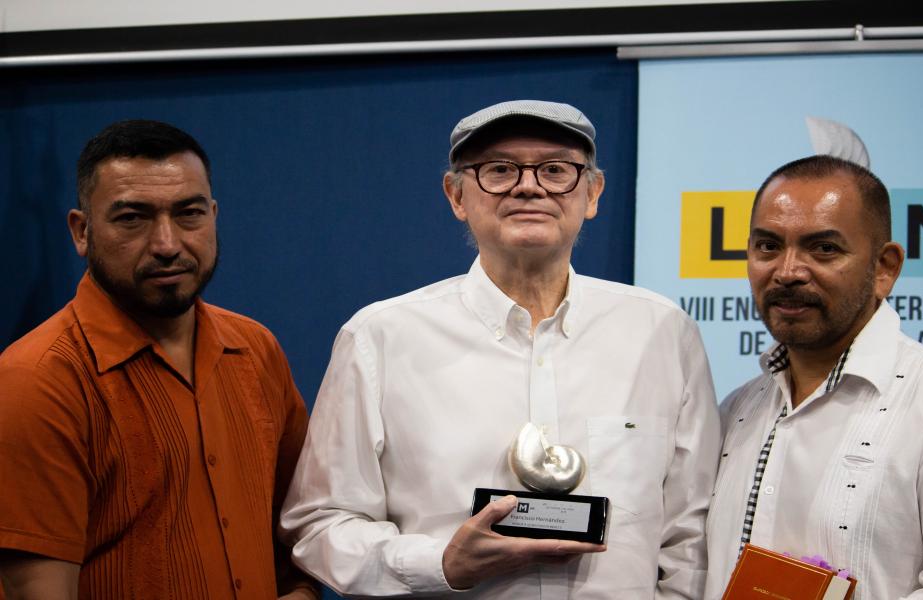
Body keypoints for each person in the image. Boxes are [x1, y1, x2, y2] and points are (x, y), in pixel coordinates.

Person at [280, 99, 722, 598]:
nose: (529, 186)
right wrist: (439, 563)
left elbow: (693, 531)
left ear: (593, 193)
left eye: (556, 170)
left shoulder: (662, 331)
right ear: (456, 195)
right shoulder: (379, 338)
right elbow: (320, 523)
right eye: (499, 169)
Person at [0, 120, 317, 599]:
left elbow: (303, 537)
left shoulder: (256, 349)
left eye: (189, 213)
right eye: (133, 218)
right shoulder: (38, 380)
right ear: (82, 232)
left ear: (213, 216)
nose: (167, 244)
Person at [704, 155, 923, 599]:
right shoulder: (737, 410)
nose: (788, 272)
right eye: (768, 246)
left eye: (823, 248)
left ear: (885, 268)